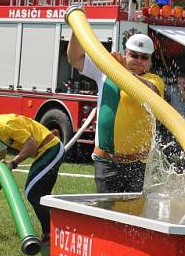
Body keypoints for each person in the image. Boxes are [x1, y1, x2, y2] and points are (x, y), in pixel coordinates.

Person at [67, 32, 165, 193]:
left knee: (132, 215)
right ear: (125, 53)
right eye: (134, 55)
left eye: (144, 57)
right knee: (106, 214)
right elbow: (75, 58)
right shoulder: (106, 71)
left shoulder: (155, 80)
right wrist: (77, 28)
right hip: (106, 161)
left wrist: (125, 72)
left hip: (138, 164)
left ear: (151, 61)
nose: (139, 60)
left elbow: (150, 91)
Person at [0, 101, 65, 241]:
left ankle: (50, 235)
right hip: (45, 150)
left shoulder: (5, 125)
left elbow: (31, 145)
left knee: (32, 192)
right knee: (40, 195)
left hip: (51, 149)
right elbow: (0, 152)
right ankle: (58, 233)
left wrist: (13, 163)